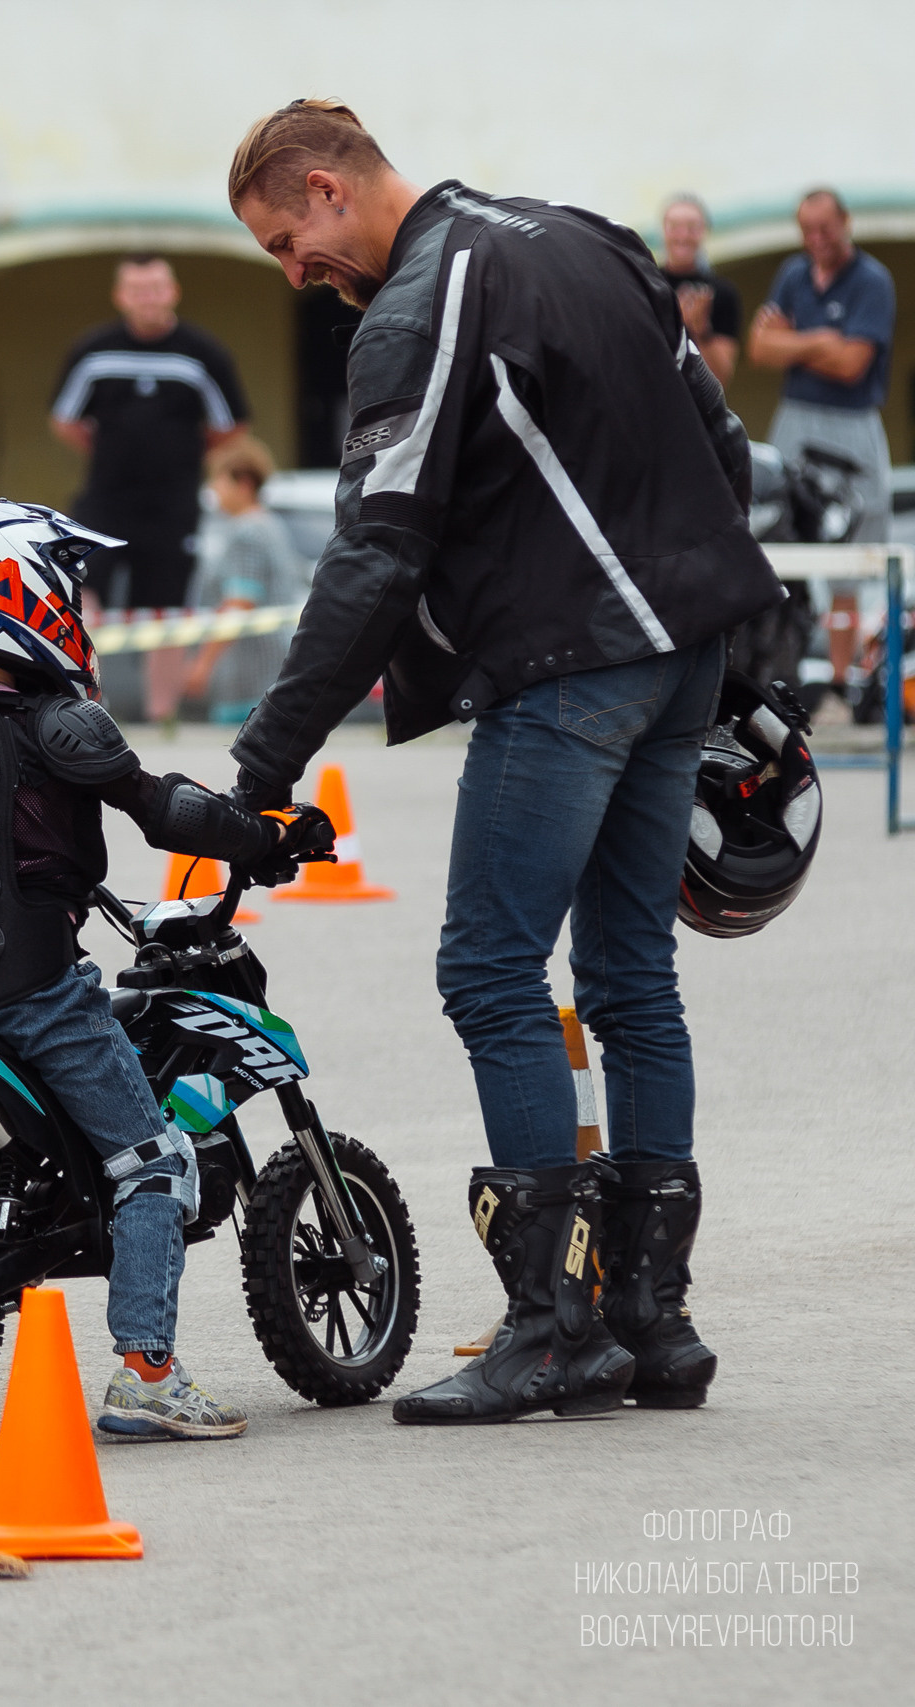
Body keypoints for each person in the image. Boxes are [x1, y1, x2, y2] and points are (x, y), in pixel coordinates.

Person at [222, 98, 782, 1425]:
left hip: (569, 669)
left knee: (488, 966)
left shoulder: (413, 308)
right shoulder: (586, 238)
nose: (296, 276)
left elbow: (378, 549)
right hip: (681, 651)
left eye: (283, 245)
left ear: (324, 188)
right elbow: (727, 447)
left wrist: (265, 756)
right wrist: (695, 616)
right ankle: (653, 1320)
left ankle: (550, 1329)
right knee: (633, 975)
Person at [0, 500, 329, 1439]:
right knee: (155, 1160)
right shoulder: (56, 722)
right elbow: (165, 811)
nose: (76, 600)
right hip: (39, 996)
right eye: (65, 582)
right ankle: (148, 1375)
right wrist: (267, 840)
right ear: (19, 590)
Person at [49, 255, 251, 720]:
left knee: (165, 609)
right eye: (138, 290)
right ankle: (85, 705)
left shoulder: (203, 353)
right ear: (121, 297)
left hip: (172, 504)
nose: (149, 299)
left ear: (173, 291)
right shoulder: (94, 351)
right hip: (105, 498)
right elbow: (65, 420)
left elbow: (231, 424)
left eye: (157, 288)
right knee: (81, 590)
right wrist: (112, 453)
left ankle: (163, 715)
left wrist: (180, 454)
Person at [749, 188, 896, 544]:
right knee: (783, 523)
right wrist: (819, 342)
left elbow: (851, 366)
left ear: (846, 222)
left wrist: (790, 343)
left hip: (852, 423)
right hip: (795, 420)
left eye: (825, 228)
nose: (816, 239)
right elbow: (759, 350)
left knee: (857, 535)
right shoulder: (792, 274)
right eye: (806, 229)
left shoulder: (872, 281)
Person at [181, 433, 308, 722]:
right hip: (275, 665)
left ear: (244, 484)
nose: (212, 488)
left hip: (251, 673)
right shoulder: (271, 525)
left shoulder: (246, 532)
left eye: (219, 479)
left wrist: (202, 664)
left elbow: (239, 604)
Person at [657, 196, 740, 388]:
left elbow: (721, 377)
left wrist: (701, 331)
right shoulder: (646, 283)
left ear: (705, 231)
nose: (683, 235)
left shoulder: (722, 293)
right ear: (663, 231)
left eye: (692, 227)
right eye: (675, 226)